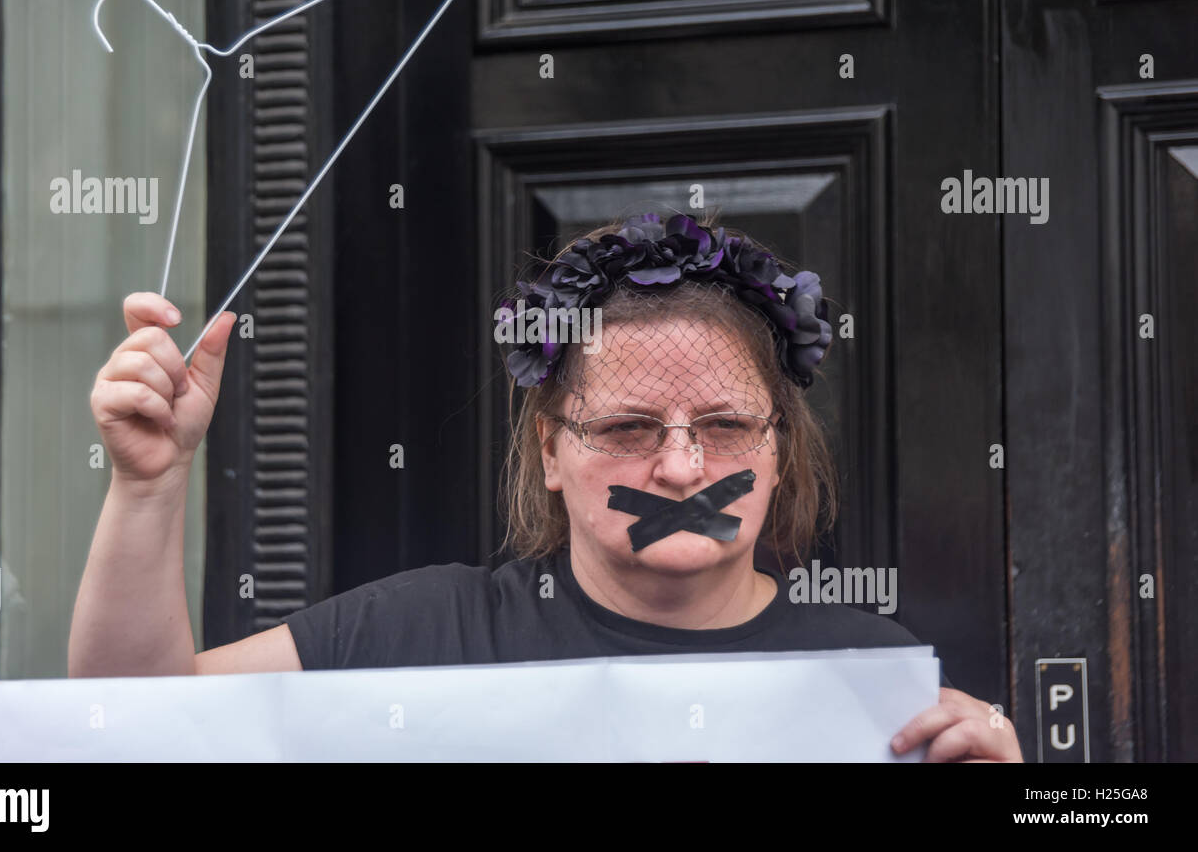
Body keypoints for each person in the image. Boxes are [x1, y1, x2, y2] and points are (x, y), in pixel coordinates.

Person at [71, 211, 1022, 762]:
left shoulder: (879, 688)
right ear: (548, 452)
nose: (683, 470)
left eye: (727, 425)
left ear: (779, 445)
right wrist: (149, 485)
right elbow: (129, 728)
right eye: (625, 430)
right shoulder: (419, 637)